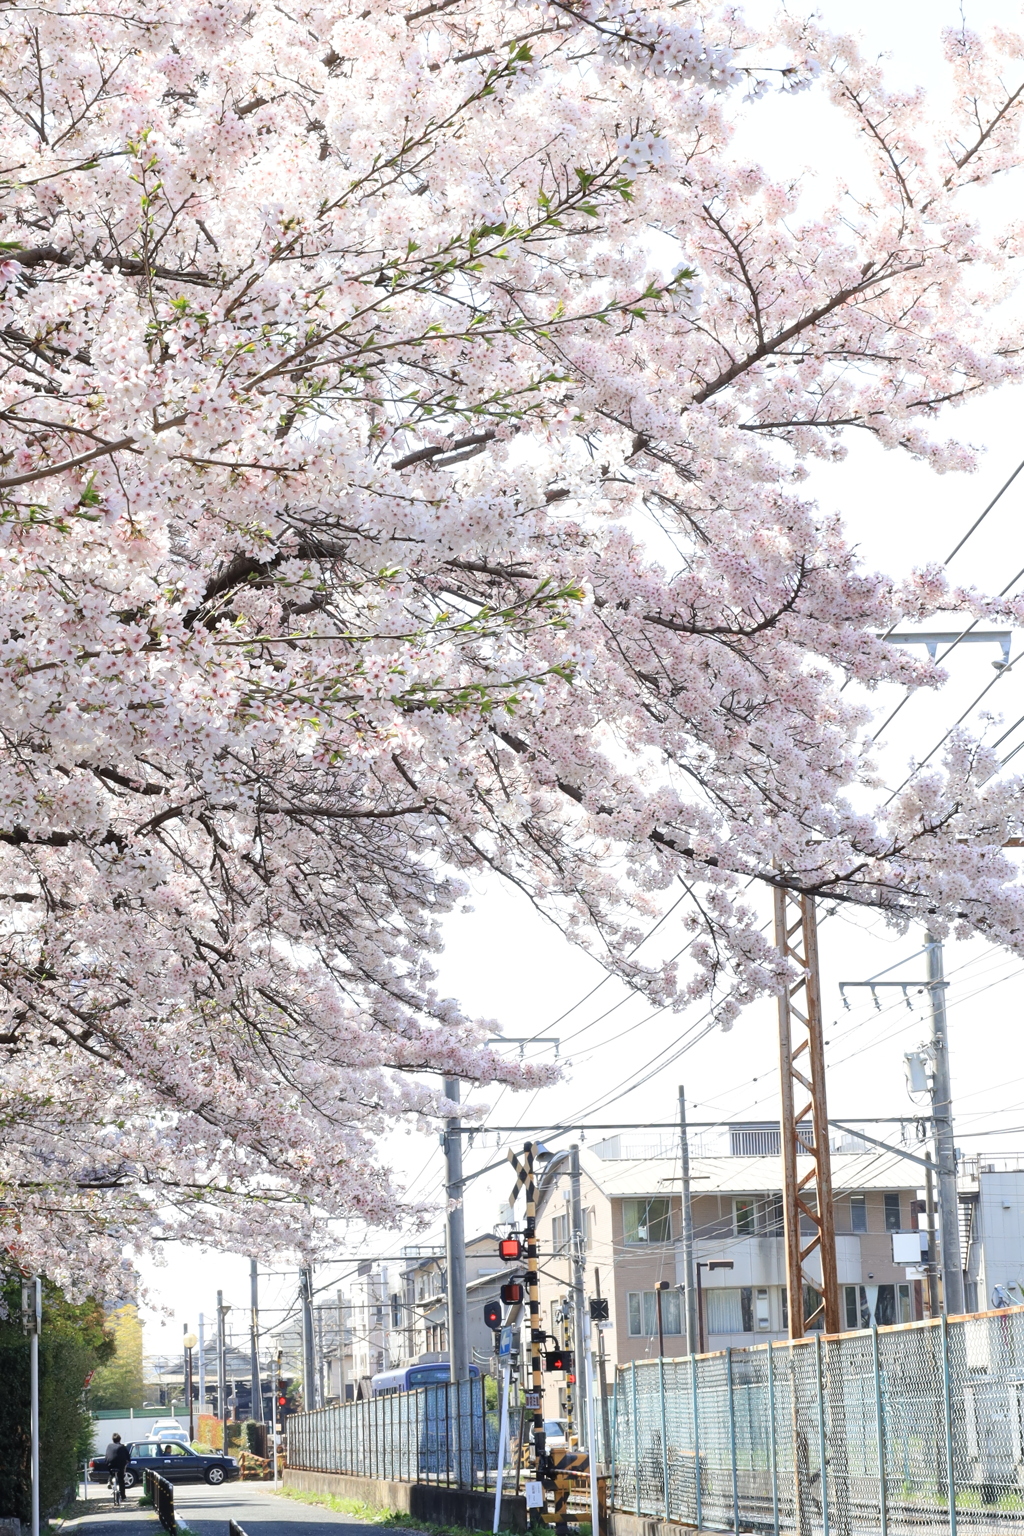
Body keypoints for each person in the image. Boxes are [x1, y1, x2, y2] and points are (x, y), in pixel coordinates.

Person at [107, 1436, 131, 1503]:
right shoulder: (122, 1447)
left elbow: (107, 1456)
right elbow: (128, 1458)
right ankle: (123, 1496)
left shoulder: (109, 1446)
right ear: (120, 1440)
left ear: (113, 1440)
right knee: (121, 1479)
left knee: (111, 1472)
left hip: (110, 1464)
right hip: (120, 1465)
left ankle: (109, 1481)